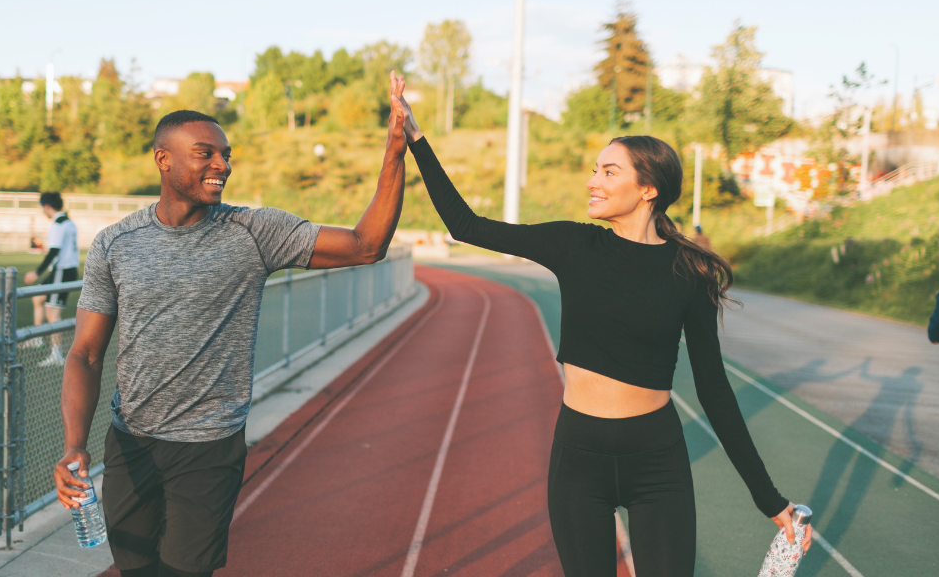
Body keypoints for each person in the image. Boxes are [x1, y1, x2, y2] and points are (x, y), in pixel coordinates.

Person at [392, 87, 808, 575]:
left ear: (648, 188)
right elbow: (466, 225)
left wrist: (769, 499)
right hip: (579, 458)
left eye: (609, 172)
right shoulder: (574, 244)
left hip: (658, 460)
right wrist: (416, 136)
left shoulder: (689, 272)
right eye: (594, 169)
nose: (593, 181)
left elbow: (714, 389)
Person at [52, 72, 410, 577]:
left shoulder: (254, 232)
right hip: (129, 442)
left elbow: (366, 244)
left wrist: (394, 151)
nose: (223, 164)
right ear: (164, 159)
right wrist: (73, 445)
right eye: (206, 153)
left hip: (209, 447)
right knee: (135, 570)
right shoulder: (116, 243)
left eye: (226, 155)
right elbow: (85, 353)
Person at [24, 192, 80, 366]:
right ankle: (38, 338)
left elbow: (54, 251)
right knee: (38, 297)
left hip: (61, 272)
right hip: (67, 270)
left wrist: (36, 272)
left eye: (43, 208)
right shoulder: (69, 221)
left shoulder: (58, 224)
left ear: (47, 206)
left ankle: (56, 354)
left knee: (53, 312)